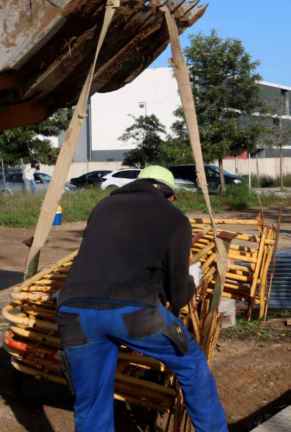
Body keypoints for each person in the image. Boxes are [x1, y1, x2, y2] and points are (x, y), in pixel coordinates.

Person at [55, 166, 226, 432]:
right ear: (170, 196)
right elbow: (177, 296)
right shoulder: (174, 217)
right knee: (192, 365)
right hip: (132, 313)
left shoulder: (103, 207)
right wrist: (192, 277)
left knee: (91, 402)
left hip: (74, 312)